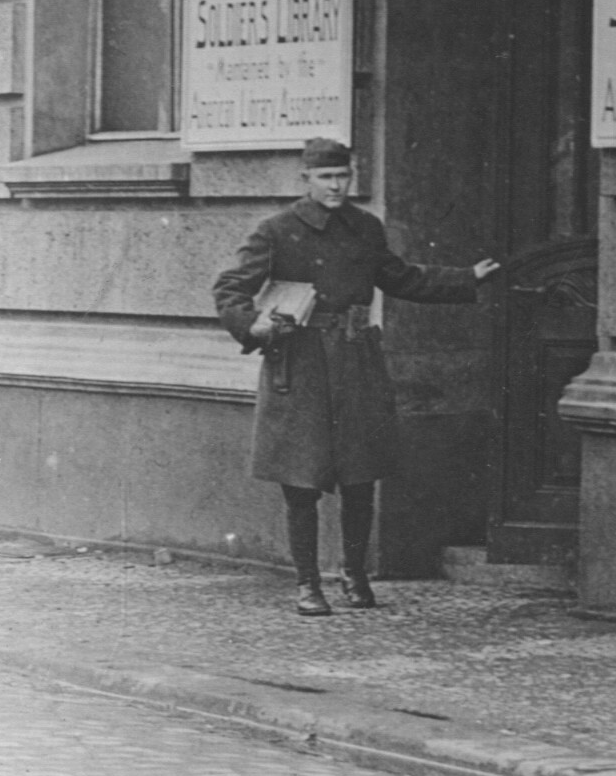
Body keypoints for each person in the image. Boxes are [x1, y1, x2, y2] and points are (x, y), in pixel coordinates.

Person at [212, 135, 500, 616]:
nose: (336, 185)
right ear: (305, 180)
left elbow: (402, 277)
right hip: (300, 364)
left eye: (343, 175)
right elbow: (229, 289)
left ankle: (355, 574)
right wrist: (253, 323)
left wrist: (466, 278)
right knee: (301, 481)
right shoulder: (277, 231)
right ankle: (308, 584)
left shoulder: (365, 228)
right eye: (326, 177)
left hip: (356, 361)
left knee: (360, 475)